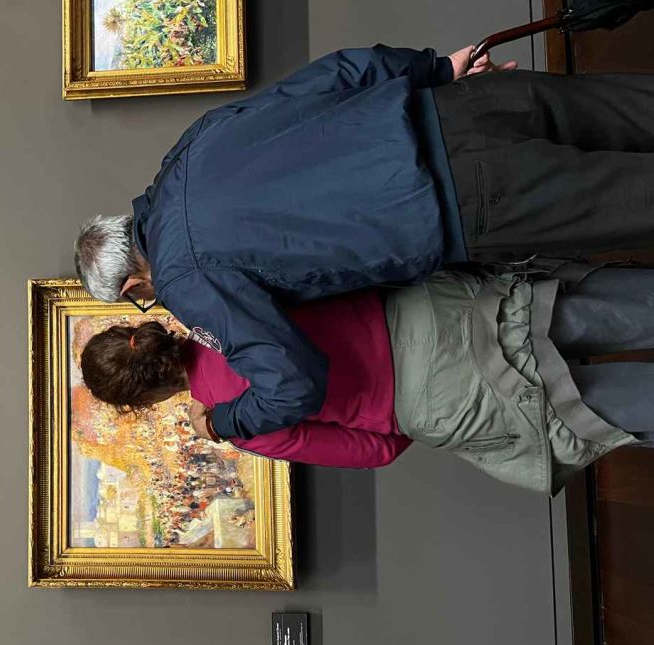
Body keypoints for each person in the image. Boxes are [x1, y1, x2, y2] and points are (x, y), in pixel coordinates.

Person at [73, 43, 654, 444]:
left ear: (131, 284)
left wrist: (225, 423)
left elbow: (293, 383)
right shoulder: (187, 150)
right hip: (457, 105)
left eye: (139, 298)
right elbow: (332, 75)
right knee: (639, 107)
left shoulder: (186, 282)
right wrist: (436, 68)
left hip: (469, 202)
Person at [77, 268, 654, 494]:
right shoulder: (220, 302)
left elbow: (374, 451)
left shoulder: (239, 422)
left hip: (439, 398)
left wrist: (395, 405)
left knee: (605, 405)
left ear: (148, 399)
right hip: (430, 309)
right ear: (139, 330)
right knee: (600, 311)